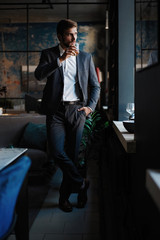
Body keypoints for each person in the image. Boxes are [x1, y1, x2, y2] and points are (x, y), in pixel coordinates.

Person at [35, 19, 100, 212]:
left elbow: (95, 86)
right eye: (69, 34)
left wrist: (89, 107)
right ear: (60, 36)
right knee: (56, 152)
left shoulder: (85, 57)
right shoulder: (49, 54)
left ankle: (66, 198)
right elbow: (39, 75)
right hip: (55, 111)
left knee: (72, 157)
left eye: (76, 34)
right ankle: (81, 182)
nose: (73, 38)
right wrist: (61, 60)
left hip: (77, 111)